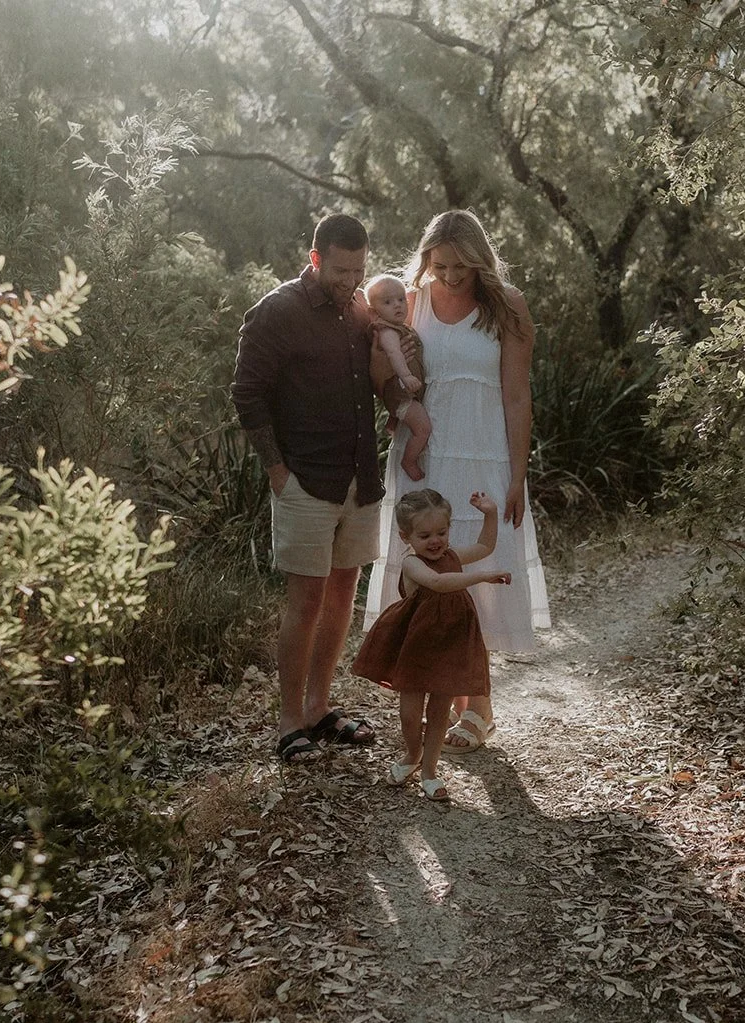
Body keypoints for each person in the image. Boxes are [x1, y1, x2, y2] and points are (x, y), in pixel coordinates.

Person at [364, 210, 551, 755]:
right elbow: (381, 372)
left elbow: (517, 396)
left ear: (480, 262)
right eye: (438, 265)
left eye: (460, 267)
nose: (447, 277)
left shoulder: (508, 306)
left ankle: (478, 710)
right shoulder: (409, 301)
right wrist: (398, 405)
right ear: (425, 261)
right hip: (426, 457)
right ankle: (468, 708)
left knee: (473, 574)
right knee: (430, 576)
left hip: (485, 454)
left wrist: (517, 476)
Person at [233, 214, 382, 763]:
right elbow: (246, 393)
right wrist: (277, 471)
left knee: (344, 592)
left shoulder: (360, 309)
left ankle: (320, 707)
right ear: (315, 258)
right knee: (306, 600)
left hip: (359, 479)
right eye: (342, 269)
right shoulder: (279, 311)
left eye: (360, 269)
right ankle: (290, 721)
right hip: (305, 480)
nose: (351, 279)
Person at [352, 489, 511, 801]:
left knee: (440, 710)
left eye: (442, 532)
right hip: (417, 645)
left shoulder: (451, 556)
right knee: (411, 712)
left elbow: (485, 545)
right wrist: (480, 577)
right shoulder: (412, 564)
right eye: (424, 535)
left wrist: (490, 513)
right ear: (405, 536)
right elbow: (439, 583)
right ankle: (412, 754)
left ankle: (430, 771)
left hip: (451, 642)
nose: (435, 541)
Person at [364, 274, 432, 482]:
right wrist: (406, 376)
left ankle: (395, 422)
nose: (397, 305)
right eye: (387, 302)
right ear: (374, 312)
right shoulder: (387, 331)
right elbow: (394, 354)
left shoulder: (401, 327)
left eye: (401, 299)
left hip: (405, 394)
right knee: (423, 429)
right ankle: (409, 461)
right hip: (401, 393)